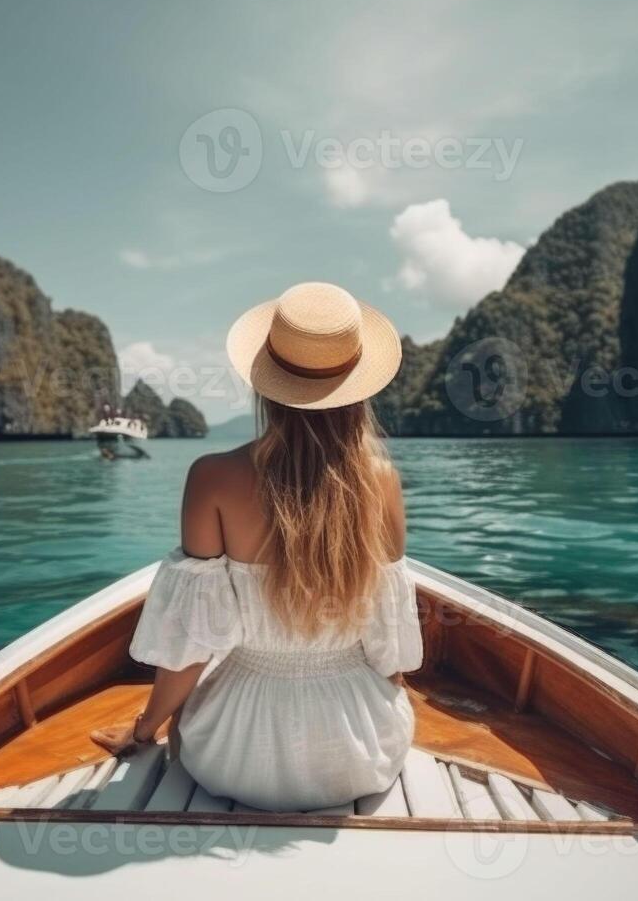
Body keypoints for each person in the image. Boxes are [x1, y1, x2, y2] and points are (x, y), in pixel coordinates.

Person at [91, 282, 422, 811]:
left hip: (234, 754)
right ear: (359, 387)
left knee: (187, 720)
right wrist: (384, 711)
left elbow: (192, 643)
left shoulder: (213, 477)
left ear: (265, 384)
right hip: (361, 754)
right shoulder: (382, 481)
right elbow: (390, 643)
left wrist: (144, 727)